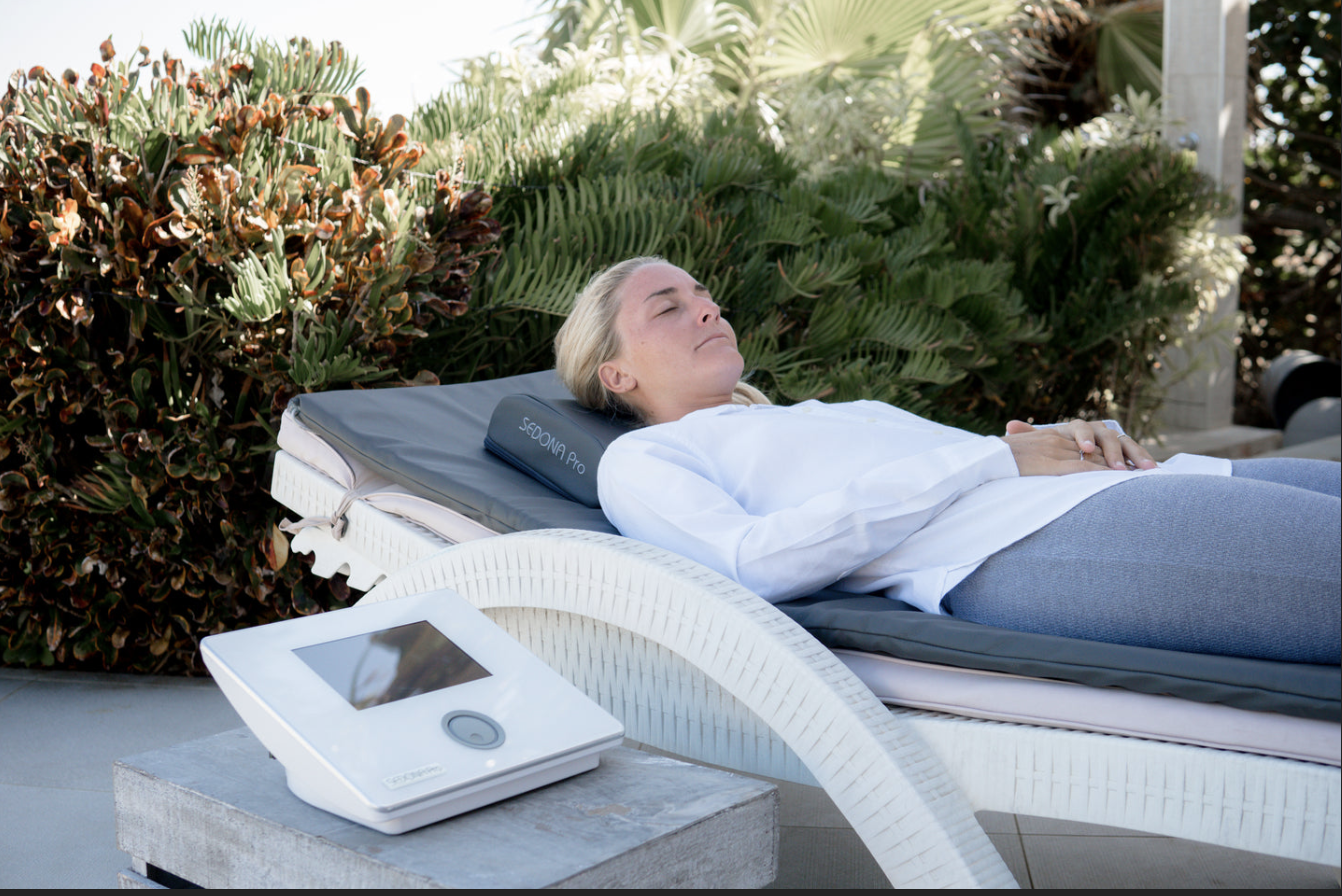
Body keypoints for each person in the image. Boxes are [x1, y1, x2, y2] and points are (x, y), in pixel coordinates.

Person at [554, 257, 1341, 664]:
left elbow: (984, 465)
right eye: (668, 307)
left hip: (1108, 492)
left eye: (703, 295)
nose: (706, 306)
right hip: (1026, 546)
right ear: (615, 373)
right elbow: (752, 563)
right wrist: (995, 462)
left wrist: (1068, 437)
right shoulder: (645, 458)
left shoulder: (800, 418)